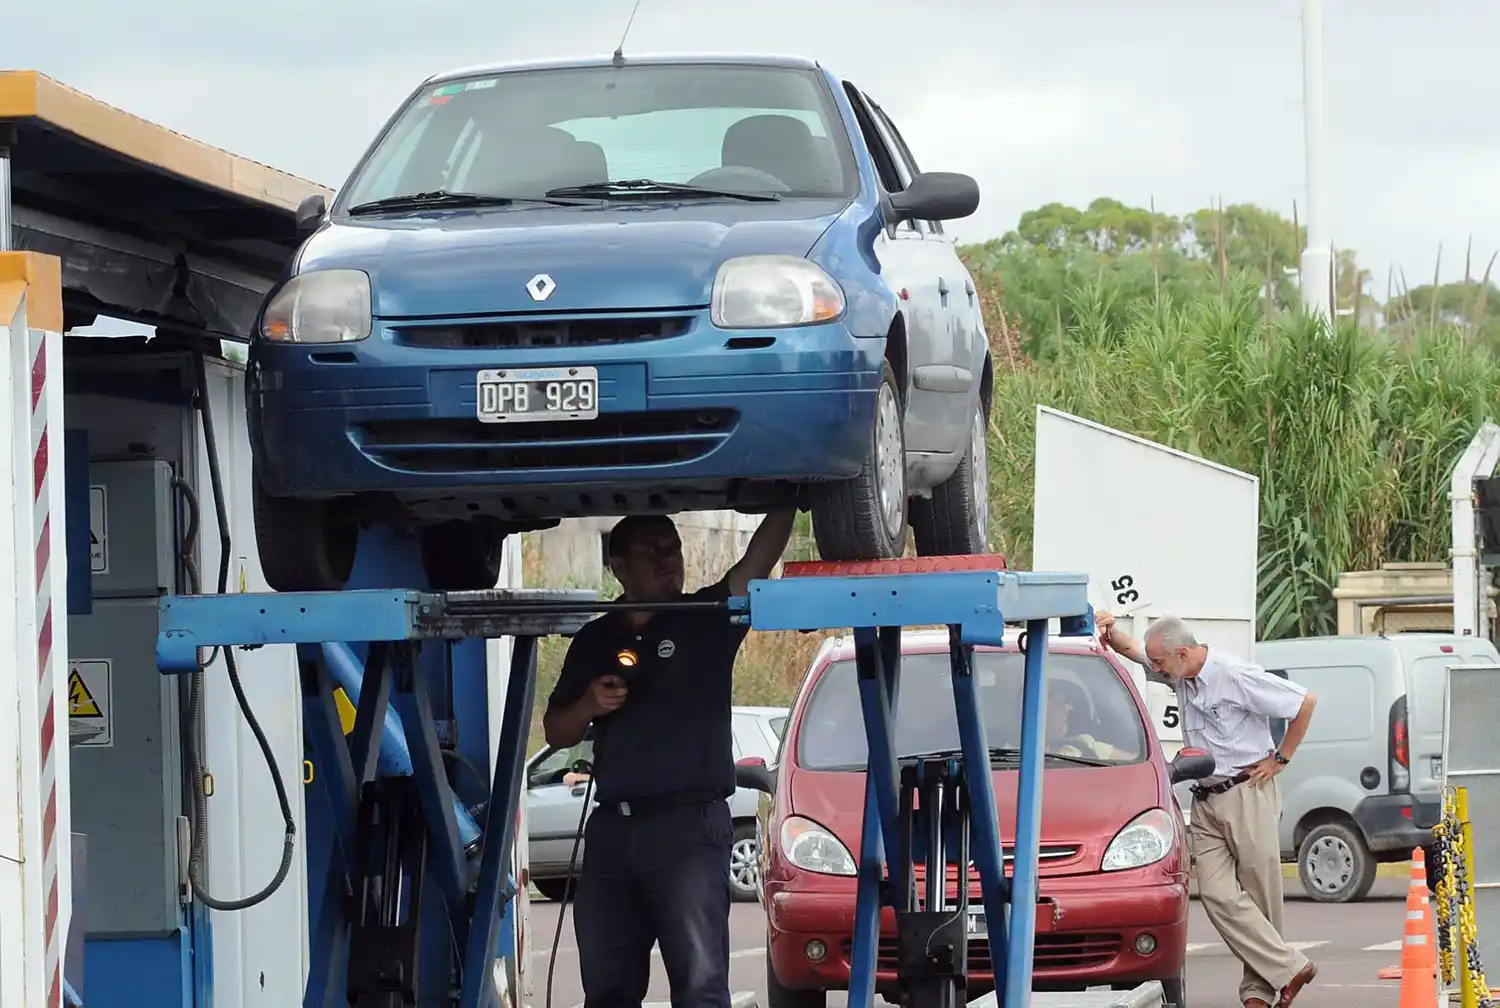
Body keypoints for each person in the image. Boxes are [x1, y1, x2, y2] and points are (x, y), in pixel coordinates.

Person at [542, 508, 797, 1008]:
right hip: (614, 832)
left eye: (673, 549)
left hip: (689, 829)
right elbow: (556, 729)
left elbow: (757, 559)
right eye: (652, 551)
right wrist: (590, 704)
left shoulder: (706, 618)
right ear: (619, 565)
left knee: (700, 986)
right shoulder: (597, 638)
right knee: (608, 987)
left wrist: (788, 497)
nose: (668, 560)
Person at [1095, 611, 1320, 1008]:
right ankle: (1289, 968)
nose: (1157, 670)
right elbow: (1133, 651)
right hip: (1206, 796)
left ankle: (1259, 994)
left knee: (1259, 897)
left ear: (1183, 653)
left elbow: (1304, 702)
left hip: (1247, 792)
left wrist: (1280, 759)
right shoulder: (1180, 672)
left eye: (1161, 662)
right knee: (1217, 895)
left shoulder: (1233, 674)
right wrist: (1110, 630)